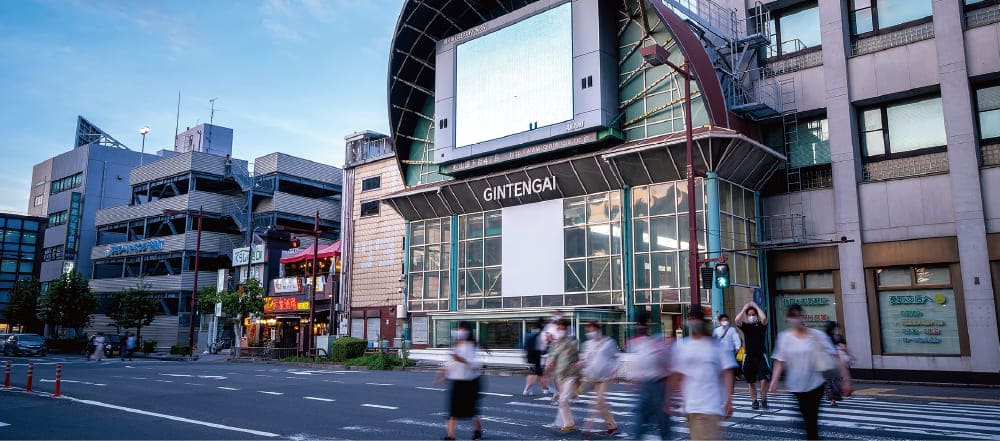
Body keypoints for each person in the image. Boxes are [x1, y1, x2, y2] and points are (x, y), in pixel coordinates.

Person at [770, 304, 853, 440]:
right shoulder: (784, 337)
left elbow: (836, 357)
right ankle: (812, 434)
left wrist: (846, 380)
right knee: (805, 416)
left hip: (816, 384)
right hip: (796, 385)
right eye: (792, 316)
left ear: (803, 316)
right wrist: (774, 380)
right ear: (788, 319)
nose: (795, 319)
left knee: (811, 417)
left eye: (797, 315)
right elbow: (780, 360)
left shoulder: (817, 335)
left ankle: (812, 435)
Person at [671, 307, 736, 440]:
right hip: (691, 408)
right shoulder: (684, 346)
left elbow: (728, 371)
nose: (693, 322)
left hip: (710, 407)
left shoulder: (716, 345)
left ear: (702, 321)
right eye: (690, 319)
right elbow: (677, 374)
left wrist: (729, 400)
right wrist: (673, 397)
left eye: (696, 319)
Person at [434, 322, 483, 441]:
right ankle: (451, 436)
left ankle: (478, 430)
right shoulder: (456, 344)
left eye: (461, 329)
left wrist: (461, 360)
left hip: (469, 382)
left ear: (467, 331)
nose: (459, 331)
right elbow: (451, 362)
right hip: (456, 382)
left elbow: (475, 364)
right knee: (452, 411)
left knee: (471, 410)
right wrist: (442, 374)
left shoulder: (471, 345)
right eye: (458, 329)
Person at [627, 312, 671, 440]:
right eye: (640, 325)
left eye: (643, 325)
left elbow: (665, 364)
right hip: (647, 385)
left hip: (657, 384)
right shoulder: (637, 343)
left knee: (660, 423)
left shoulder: (656, 341)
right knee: (642, 424)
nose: (642, 327)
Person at [578, 321, 619, 436]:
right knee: (601, 403)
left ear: (598, 330)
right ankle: (612, 425)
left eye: (591, 330)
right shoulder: (587, 344)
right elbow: (585, 359)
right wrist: (580, 364)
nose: (589, 333)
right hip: (593, 377)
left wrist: (615, 369)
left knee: (598, 400)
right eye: (587, 331)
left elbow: (616, 357)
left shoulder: (608, 342)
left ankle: (587, 428)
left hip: (606, 376)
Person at [735, 301, 771, 410]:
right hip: (749, 356)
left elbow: (764, 318)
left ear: (756, 315)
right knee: (750, 381)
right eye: (749, 315)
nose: (751, 316)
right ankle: (754, 400)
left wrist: (755, 306)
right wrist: (744, 308)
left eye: (753, 314)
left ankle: (763, 399)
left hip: (761, 355)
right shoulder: (746, 326)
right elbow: (737, 320)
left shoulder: (761, 325)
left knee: (764, 379)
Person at [545, 318, 580, 433]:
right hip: (559, 374)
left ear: (567, 329)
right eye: (558, 328)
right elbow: (551, 358)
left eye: (562, 328)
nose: (560, 330)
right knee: (563, 400)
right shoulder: (555, 343)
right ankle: (570, 423)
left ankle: (568, 424)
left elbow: (574, 354)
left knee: (563, 400)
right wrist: (548, 369)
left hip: (570, 374)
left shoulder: (573, 341)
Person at [823, 322, 853, 407]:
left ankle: (832, 399)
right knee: (836, 380)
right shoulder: (838, 337)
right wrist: (849, 355)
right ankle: (835, 397)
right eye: (836, 328)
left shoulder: (824, 338)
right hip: (836, 363)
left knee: (829, 382)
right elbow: (843, 347)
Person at [712, 313, 743, 379]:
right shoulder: (716, 330)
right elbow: (713, 341)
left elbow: (736, 339)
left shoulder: (732, 330)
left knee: (729, 367)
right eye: (723, 320)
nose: (725, 322)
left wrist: (737, 348)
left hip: (730, 352)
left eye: (726, 320)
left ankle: (730, 377)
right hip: (719, 352)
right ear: (720, 321)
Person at [522, 321, 549, 396]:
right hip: (538, 358)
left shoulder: (530, 336)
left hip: (531, 358)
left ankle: (533, 389)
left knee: (535, 374)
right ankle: (529, 389)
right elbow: (543, 346)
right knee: (537, 374)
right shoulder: (541, 335)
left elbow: (526, 347)